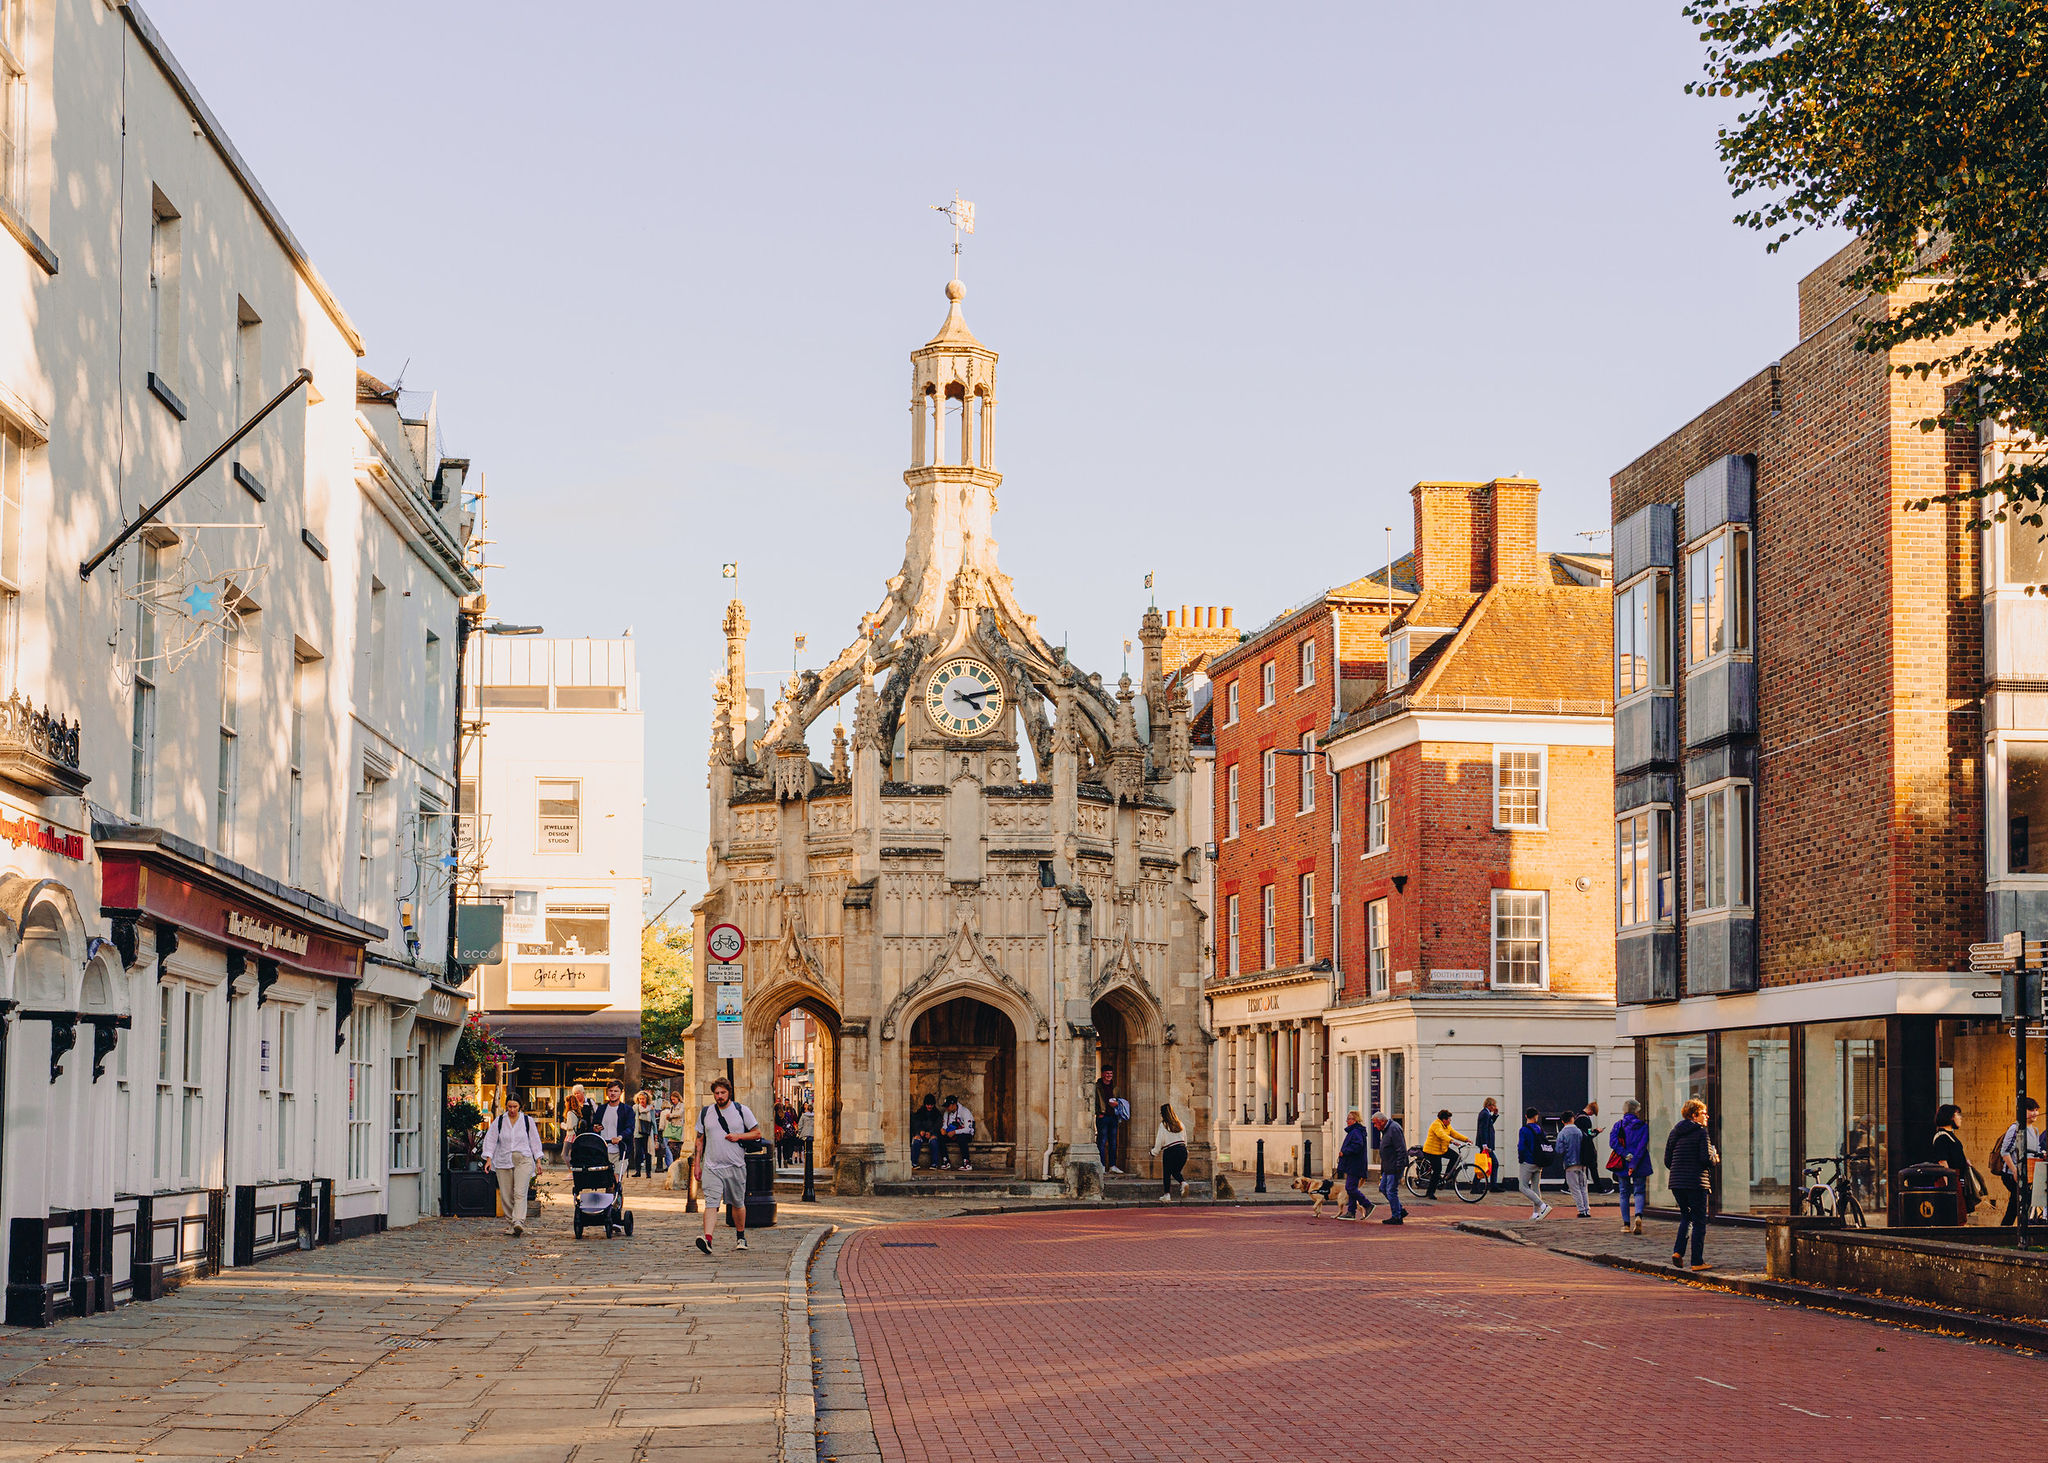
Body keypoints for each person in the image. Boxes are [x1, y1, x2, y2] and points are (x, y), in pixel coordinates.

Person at [694, 1077, 763, 1255]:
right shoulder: (705, 1112)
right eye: (716, 1093)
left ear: (729, 1093)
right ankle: (707, 1239)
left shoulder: (742, 1111)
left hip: (735, 1165)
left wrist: (739, 1136)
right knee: (711, 1203)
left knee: (737, 1203)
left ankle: (741, 1236)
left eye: (723, 1093)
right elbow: (699, 1140)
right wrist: (697, 1165)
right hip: (712, 1166)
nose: (719, 1096)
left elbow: (757, 1133)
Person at [479, 1095, 545, 1236]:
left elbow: (534, 1141)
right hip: (504, 1159)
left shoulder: (527, 1121)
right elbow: (491, 1139)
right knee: (506, 1195)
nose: (512, 1110)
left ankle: (518, 1221)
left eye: (515, 1107)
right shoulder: (500, 1121)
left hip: (523, 1159)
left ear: (519, 1106)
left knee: (520, 1193)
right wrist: (488, 1159)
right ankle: (511, 1222)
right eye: (509, 1107)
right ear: (506, 1106)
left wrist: (538, 1161)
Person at [1665, 1097, 1715, 1270]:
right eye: (1704, 1113)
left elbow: (1667, 1160)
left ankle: (1678, 1251)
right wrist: (1714, 1157)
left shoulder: (1674, 1132)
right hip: (1696, 1183)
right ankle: (1697, 1261)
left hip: (1677, 1183)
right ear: (1694, 1115)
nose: (1707, 1116)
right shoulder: (1701, 1133)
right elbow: (1705, 1159)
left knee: (1686, 1217)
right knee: (1699, 1220)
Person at [1996, 1097, 2042, 1228]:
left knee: (2017, 1204)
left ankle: (2007, 1231)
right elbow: (2004, 1152)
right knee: (2019, 1202)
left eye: (2036, 1110)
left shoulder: (2035, 1130)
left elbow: (2035, 1151)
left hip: (2028, 1174)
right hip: (2012, 1174)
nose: (2034, 1113)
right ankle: (2013, 1231)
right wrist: (2015, 1170)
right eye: (2030, 1110)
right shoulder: (2015, 1128)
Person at [1931, 1102, 1982, 1219]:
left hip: (1956, 1177)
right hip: (1949, 1178)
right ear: (1950, 1117)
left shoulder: (1949, 1135)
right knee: (1953, 1213)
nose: (1960, 1118)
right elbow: (1942, 1161)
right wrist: (1950, 1183)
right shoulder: (1941, 1136)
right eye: (1957, 1115)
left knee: (1959, 1212)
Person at [1610, 1098, 1652, 1234]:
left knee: (1623, 1193)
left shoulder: (1619, 1125)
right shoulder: (1643, 1126)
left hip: (1623, 1162)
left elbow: (1613, 1142)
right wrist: (1634, 1162)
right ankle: (1638, 1215)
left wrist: (1625, 1155)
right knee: (1639, 1191)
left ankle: (1626, 1224)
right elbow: (1642, 1145)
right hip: (1640, 1162)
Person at [1336, 1110, 1377, 1221]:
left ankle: (1367, 1204)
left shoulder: (1356, 1132)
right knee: (1351, 1188)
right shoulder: (1355, 1131)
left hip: (1355, 1164)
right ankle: (1351, 1212)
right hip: (1354, 1164)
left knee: (1350, 1188)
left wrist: (1345, 1152)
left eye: (1349, 1118)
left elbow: (1357, 1146)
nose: (1347, 1121)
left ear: (1354, 1120)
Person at [1421, 1109, 1469, 1199]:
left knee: (1455, 1156)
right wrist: (1452, 1141)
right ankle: (1430, 1192)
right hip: (1432, 1151)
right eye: (1449, 1119)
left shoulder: (1447, 1126)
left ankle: (1447, 1176)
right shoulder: (1436, 1125)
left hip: (1442, 1149)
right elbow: (1441, 1134)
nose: (1450, 1121)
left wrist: (1466, 1139)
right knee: (1437, 1170)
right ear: (1444, 1120)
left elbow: (1454, 1133)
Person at [590, 1083, 632, 1183]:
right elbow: (593, 1125)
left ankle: (617, 1196)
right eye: (610, 1091)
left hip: (620, 1151)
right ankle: (611, 1197)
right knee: (607, 1181)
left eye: (616, 1091)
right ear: (607, 1092)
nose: (613, 1093)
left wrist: (620, 1137)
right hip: (604, 1150)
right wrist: (595, 1128)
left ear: (621, 1093)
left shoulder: (627, 1110)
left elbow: (630, 1128)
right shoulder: (601, 1109)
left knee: (616, 1180)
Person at [1371, 1111, 1407, 1224]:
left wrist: (1399, 1167)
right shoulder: (1386, 1129)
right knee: (1383, 1188)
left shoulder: (1394, 1129)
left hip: (1393, 1166)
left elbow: (1401, 1149)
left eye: (1376, 1124)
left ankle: (1397, 1216)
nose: (1375, 1127)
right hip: (1388, 1166)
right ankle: (1399, 1209)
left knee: (1391, 1191)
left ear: (1382, 1121)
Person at [1516, 1107, 1552, 1220]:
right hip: (1539, 1161)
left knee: (1522, 1186)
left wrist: (1521, 1159)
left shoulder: (1524, 1130)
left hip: (1528, 1161)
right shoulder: (1539, 1129)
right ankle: (1536, 1214)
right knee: (1535, 1187)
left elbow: (1521, 1147)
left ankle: (1543, 1206)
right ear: (1536, 1117)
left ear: (1526, 1116)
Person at [1150, 1104, 1189, 1201]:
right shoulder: (1180, 1124)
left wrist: (1153, 1152)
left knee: (1167, 1173)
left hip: (1171, 1151)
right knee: (1175, 1172)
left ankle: (1167, 1195)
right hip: (1183, 1150)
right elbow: (1185, 1139)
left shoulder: (1163, 1125)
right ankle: (1183, 1183)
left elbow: (1159, 1141)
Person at [1557, 1113, 1593, 1218]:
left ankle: (1581, 1210)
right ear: (1573, 1119)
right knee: (1583, 1187)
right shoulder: (1580, 1132)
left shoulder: (1562, 1133)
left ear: (1563, 1121)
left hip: (1570, 1164)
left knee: (1574, 1188)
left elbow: (1559, 1150)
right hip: (1582, 1163)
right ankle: (1587, 1210)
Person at [1095, 1066, 1123, 1174]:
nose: (1109, 1076)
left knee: (1113, 1142)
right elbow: (1093, 1101)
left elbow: (1120, 1101)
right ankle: (1101, 1164)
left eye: (1110, 1074)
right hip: (1103, 1117)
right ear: (1102, 1074)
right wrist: (1098, 1113)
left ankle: (1112, 1165)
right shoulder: (1097, 1087)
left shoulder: (1115, 1088)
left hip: (1113, 1117)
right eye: (1107, 1074)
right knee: (1101, 1141)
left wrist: (1117, 1104)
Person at [938, 1095, 976, 1170]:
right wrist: (943, 1129)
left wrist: (955, 1132)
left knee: (961, 1138)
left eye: (948, 1106)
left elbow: (968, 1129)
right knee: (940, 1137)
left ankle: (967, 1163)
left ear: (954, 1105)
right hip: (952, 1133)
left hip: (966, 1134)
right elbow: (945, 1125)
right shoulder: (947, 1113)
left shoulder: (965, 1111)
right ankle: (946, 1161)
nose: (946, 1108)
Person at [659, 1095, 690, 1182]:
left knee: (678, 1150)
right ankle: (674, 1168)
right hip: (672, 1131)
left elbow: (680, 1114)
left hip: (679, 1130)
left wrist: (671, 1115)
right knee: (672, 1150)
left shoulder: (682, 1105)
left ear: (678, 1098)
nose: (673, 1101)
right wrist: (668, 1118)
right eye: (672, 1100)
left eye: (674, 1099)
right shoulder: (672, 1107)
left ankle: (678, 1170)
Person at [909, 1095, 943, 1170]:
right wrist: (919, 1132)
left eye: (931, 1105)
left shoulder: (937, 1113)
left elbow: (938, 1125)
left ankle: (934, 1163)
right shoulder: (920, 1112)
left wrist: (931, 1133)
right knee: (916, 1141)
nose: (929, 1107)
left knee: (934, 1141)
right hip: (921, 1134)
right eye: (928, 1105)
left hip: (932, 1134)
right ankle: (914, 1163)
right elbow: (916, 1123)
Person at [1475, 1098, 1502, 1191]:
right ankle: (1492, 1186)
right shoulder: (1485, 1114)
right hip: (1486, 1144)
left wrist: (1495, 1115)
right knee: (1494, 1163)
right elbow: (1483, 1130)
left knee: (1483, 1164)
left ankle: (1477, 1187)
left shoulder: (1486, 1113)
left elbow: (1489, 1124)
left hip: (1486, 1143)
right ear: (1489, 1105)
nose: (1494, 1107)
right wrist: (1484, 1144)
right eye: (1493, 1105)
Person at [628, 1090, 655, 1178]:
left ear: (647, 1099)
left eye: (643, 1099)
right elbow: (632, 1119)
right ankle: (638, 1171)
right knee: (638, 1153)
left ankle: (648, 1172)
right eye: (640, 1099)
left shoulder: (651, 1108)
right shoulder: (636, 1107)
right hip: (637, 1132)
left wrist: (655, 1133)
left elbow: (653, 1121)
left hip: (647, 1133)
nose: (641, 1101)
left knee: (648, 1153)